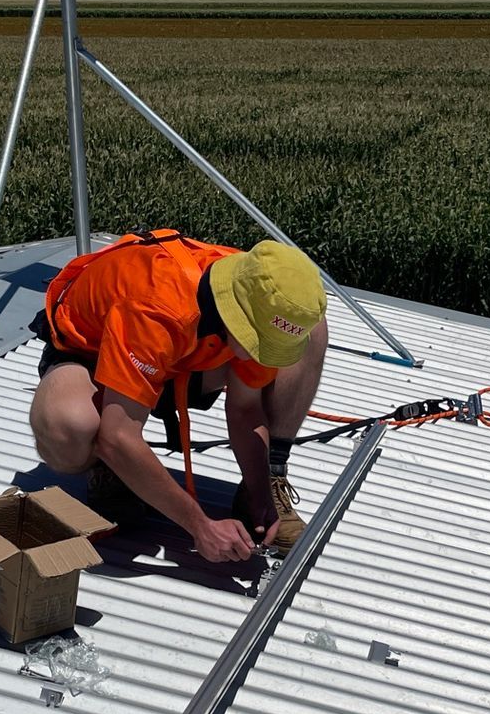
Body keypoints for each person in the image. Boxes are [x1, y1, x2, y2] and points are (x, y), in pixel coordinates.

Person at [28, 230, 329, 564]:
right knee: (71, 424)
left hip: (180, 353)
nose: (264, 354)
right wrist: (199, 525)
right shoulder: (155, 304)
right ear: (237, 316)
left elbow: (245, 409)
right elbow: (117, 435)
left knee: (312, 333)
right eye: (260, 342)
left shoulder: (256, 289)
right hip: (93, 355)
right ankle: (107, 469)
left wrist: (260, 494)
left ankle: (269, 477)